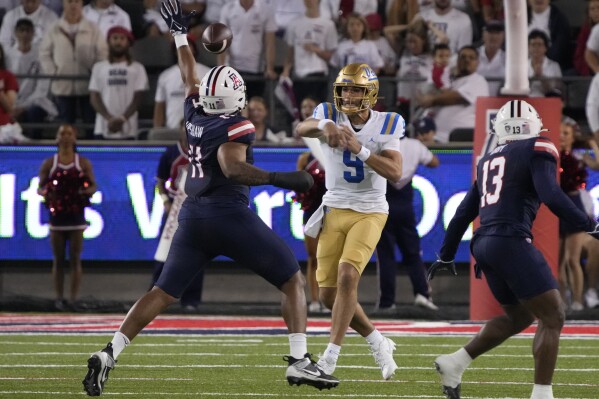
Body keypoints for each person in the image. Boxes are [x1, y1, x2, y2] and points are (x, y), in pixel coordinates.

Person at [82, 0, 339, 395]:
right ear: (236, 97)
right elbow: (233, 166)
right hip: (227, 214)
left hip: (193, 216)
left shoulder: (194, 109)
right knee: (292, 280)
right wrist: (281, 178)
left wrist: (180, 35)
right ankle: (301, 361)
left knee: (162, 292)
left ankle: (110, 351)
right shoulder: (238, 123)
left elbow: (188, 73)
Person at [427, 100, 599, 399]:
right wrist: (589, 224)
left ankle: (455, 362)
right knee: (553, 316)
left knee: (519, 317)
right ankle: (542, 394)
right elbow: (551, 194)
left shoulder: (489, 158)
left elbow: (464, 213)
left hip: (484, 245)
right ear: (533, 124)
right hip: (511, 240)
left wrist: (446, 253)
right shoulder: (539, 147)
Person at [296, 63, 403, 380]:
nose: (349, 95)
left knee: (347, 277)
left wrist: (361, 150)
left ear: (370, 93)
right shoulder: (330, 111)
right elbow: (303, 128)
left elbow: (395, 173)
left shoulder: (388, 123)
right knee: (328, 296)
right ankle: (377, 340)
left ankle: (329, 360)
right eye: (345, 88)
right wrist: (325, 125)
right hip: (334, 207)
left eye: (356, 89)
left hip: (370, 210)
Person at [375, 123, 440, 313]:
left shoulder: (378, 144)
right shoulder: (414, 145)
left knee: (386, 255)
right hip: (405, 205)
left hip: (384, 202)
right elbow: (434, 162)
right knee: (412, 253)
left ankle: (387, 302)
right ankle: (422, 294)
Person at [37, 124, 97, 310]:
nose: (65, 136)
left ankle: (73, 299)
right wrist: (51, 193)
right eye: (62, 133)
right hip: (57, 215)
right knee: (58, 258)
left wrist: (82, 192)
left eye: (69, 133)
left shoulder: (82, 162)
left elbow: (93, 186)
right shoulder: (50, 163)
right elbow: (40, 187)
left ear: (75, 137)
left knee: (75, 258)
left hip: (76, 215)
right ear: (56, 137)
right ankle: (59, 298)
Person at [152, 121, 205, 312]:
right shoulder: (171, 153)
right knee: (165, 252)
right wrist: (166, 201)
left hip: (196, 212)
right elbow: (160, 180)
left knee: (197, 256)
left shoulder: (205, 152)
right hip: (173, 210)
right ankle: (154, 296)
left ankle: (191, 299)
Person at [39, 0, 107, 138]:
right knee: (66, 125)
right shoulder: (54, 28)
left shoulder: (93, 28)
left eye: (76, 1)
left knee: (90, 123)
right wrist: (54, 73)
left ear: (81, 4)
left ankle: (91, 155)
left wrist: (95, 73)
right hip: (62, 85)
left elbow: (103, 53)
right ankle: (66, 155)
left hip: (88, 85)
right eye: (69, 1)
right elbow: (44, 53)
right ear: (64, 4)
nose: (73, 5)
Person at [558, 117, 599, 311]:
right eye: (559, 133)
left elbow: (597, 165)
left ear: (573, 136)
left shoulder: (579, 157)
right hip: (556, 205)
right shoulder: (552, 155)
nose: (562, 137)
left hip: (573, 205)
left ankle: (577, 301)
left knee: (571, 259)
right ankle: (561, 301)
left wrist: (592, 144)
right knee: (557, 261)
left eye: (566, 133)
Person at [415, 45, 489, 143]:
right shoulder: (450, 80)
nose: (467, 60)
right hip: (436, 138)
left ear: (477, 63)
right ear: (457, 60)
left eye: (471, 58)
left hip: (458, 141)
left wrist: (431, 100)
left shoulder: (478, 80)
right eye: (463, 57)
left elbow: (457, 97)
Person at [89, 26, 149, 139]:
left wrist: (122, 119)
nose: (118, 42)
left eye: (122, 39)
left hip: (129, 128)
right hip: (102, 127)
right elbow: (94, 97)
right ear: (109, 41)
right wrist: (109, 119)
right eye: (115, 38)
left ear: (128, 42)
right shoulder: (98, 67)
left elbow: (139, 97)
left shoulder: (138, 68)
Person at [5, 18, 58, 139]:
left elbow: (41, 89)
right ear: (15, 33)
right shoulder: (8, 56)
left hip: (35, 102)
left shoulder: (40, 55)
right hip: (11, 102)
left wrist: (22, 108)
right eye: (21, 30)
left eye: (28, 31)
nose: (25, 34)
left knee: (35, 112)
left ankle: (34, 146)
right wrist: (11, 107)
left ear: (33, 33)